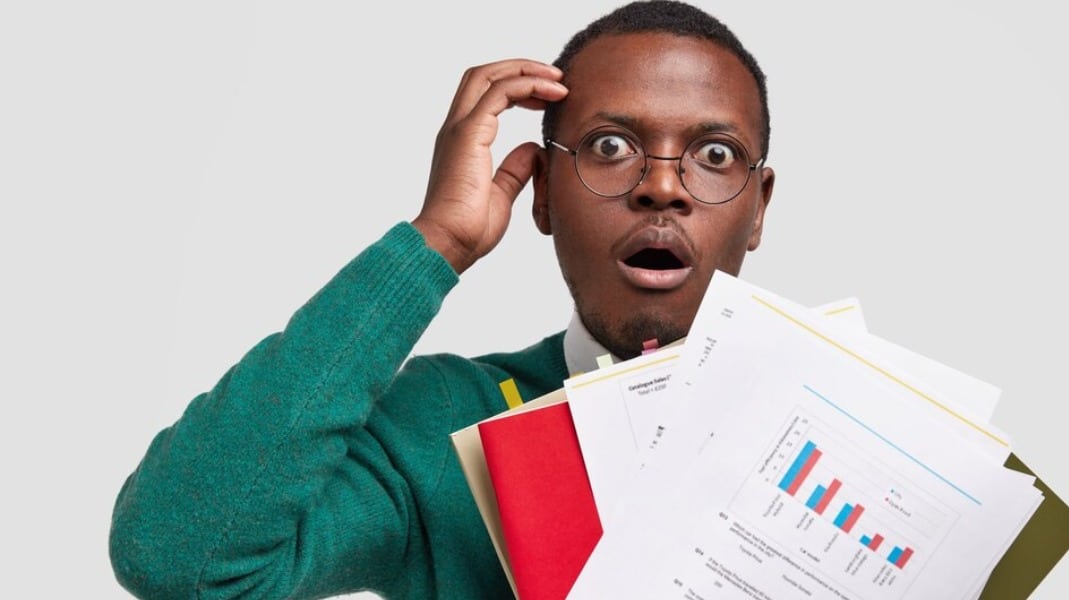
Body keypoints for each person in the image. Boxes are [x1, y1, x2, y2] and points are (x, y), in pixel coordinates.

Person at [109, 1, 774, 598]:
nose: (662, 186)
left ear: (758, 208)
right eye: (610, 145)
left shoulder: (858, 420)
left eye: (715, 153)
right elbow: (179, 561)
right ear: (540, 191)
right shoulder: (446, 424)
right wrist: (436, 245)